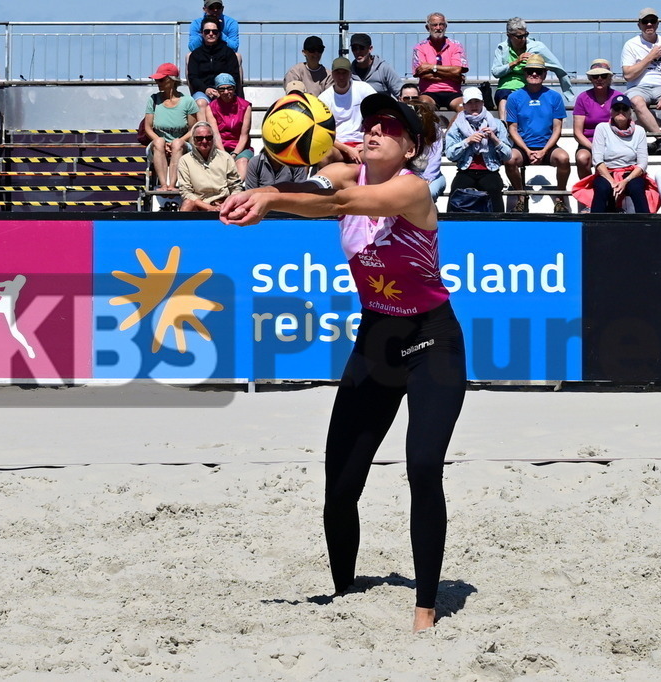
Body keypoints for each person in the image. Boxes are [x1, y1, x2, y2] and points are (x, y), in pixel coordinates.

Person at [219, 93, 465, 634]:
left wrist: (269, 198)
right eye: (370, 123)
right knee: (340, 481)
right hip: (378, 338)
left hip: (432, 340)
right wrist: (267, 191)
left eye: (390, 127)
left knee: (423, 466)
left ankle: (426, 607)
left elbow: (341, 204)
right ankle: (344, 591)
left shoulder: (412, 189)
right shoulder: (341, 171)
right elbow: (320, 188)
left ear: (411, 147)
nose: (375, 130)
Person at [505, 54, 571, 213]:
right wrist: (527, 150)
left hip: (548, 147)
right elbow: (512, 129)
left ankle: (560, 198)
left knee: (564, 158)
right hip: (523, 148)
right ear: (524, 73)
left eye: (538, 71)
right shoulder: (514, 97)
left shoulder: (554, 97)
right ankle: (521, 197)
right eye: (530, 71)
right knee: (509, 159)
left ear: (545, 74)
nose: (534, 74)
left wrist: (544, 151)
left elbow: (557, 129)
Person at [572, 94, 658, 213]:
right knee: (602, 187)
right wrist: (612, 182)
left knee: (637, 187)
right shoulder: (602, 128)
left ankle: (644, 222)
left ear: (630, 112)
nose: (620, 111)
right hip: (607, 172)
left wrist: (625, 181)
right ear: (611, 112)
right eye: (617, 108)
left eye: (624, 108)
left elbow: (642, 164)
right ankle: (595, 222)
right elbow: (598, 160)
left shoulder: (639, 131)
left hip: (630, 173)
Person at [490, 18, 574, 120]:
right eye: (519, 36)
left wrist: (568, 92)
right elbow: (495, 72)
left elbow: (557, 67)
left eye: (525, 35)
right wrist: (515, 62)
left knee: (537, 99)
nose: (523, 39)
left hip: (529, 86)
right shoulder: (502, 48)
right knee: (504, 98)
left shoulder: (537, 47)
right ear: (509, 35)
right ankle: (504, 126)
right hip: (506, 87)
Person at [444, 86, 512, 211]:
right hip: (466, 170)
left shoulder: (497, 124)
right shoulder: (457, 125)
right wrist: (467, 141)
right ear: (464, 105)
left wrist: (494, 139)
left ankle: (498, 221)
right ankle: (453, 221)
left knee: (494, 189)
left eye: (477, 101)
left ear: (482, 103)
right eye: (470, 102)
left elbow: (507, 155)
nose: (474, 105)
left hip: (490, 170)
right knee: (456, 193)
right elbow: (450, 154)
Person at [621, 8, 661, 135]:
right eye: (645, 21)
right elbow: (628, 75)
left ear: (657, 23)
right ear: (639, 25)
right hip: (638, 87)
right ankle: (660, 137)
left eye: (652, 21)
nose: (649, 24)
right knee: (636, 102)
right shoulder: (630, 45)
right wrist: (650, 57)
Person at [142, 63, 199, 191]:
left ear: (172, 80)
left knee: (177, 144)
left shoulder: (188, 101)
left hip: (182, 146)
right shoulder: (153, 99)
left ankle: (173, 185)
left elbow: (192, 129)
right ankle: (163, 185)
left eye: (161, 79)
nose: (157, 82)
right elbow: (148, 128)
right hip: (158, 145)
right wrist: (162, 143)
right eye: (157, 80)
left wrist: (175, 143)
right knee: (159, 142)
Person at [572, 58, 626, 183]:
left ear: (610, 78)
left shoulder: (619, 97)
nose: (599, 79)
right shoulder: (582, 98)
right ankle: (588, 187)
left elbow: (625, 124)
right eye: (595, 76)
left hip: (614, 142)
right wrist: (595, 148)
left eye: (603, 76)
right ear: (590, 79)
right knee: (582, 158)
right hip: (589, 143)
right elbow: (578, 132)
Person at [317, 57, 377, 166]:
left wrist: (367, 141)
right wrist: (347, 149)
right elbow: (323, 133)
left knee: (377, 156)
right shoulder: (324, 98)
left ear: (350, 74)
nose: (341, 77)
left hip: (361, 143)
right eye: (337, 73)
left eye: (344, 72)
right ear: (332, 74)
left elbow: (379, 112)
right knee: (322, 157)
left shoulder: (363, 88)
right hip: (337, 146)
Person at [176, 121, 243, 212]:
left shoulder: (226, 157)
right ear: (193, 140)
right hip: (200, 205)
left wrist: (227, 204)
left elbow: (236, 186)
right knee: (188, 203)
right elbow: (186, 192)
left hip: (225, 204)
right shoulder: (185, 160)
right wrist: (209, 207)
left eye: (208, 138)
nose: (204, 141)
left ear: (213, 139)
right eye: (199, 138)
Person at [187, 19, 243, 123]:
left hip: (225, 90)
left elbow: (234, 75)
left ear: (219, 33)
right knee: (201, 103)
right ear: (202, 33)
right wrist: (206, 89)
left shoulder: (228, 53)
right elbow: (193, 77)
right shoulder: (196, 55)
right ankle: (204, 131)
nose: (211, 34)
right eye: (207, 31)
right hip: (203, 91)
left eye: (214, 31)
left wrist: (222, 90)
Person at [412, 12, 468, 112]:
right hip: (428, 92)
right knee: (424, 107)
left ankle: (452, 123)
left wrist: (431, 68)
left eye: (441, 24)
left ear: (445, 26)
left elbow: (457, 70)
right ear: (427, 27)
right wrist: (453, 75)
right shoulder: (419, 47)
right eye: (434, 25)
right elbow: (422, 74)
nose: (438, 28)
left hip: (453, 92)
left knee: (464, 109)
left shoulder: (456, 45)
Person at [403, 86, 447, 201]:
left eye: (414, 98)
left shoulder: (433, 127)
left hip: (432, 175)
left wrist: (427, 178)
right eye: (406, 98)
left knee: (428, 194)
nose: (411, 101)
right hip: (406, 175)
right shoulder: (399, 127)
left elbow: (435, 157)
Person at [208, 73, 252, 177]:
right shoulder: (210, 107)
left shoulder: (245, 106)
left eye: (229, 88)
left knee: (242, 163)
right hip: (219, 147)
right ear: (217, 90)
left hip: (240, 148)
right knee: (218, 166)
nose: (226, 92)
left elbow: (244, 135)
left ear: (234, 88)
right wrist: (224, 155)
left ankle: (237, 185)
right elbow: (216, 135)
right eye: (222, 89)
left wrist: (234, 154)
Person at [349, 33, 403, 98]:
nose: (358, 52)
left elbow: (401, 94)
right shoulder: (349, 73)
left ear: (370, 49)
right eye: (354, 48)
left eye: (361, 48)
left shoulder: (383, 69)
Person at [244, 149, 310, 189]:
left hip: (289, 205)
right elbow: (250, 192)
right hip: (262, 206)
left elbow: (301, 192)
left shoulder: (296, 163)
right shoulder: (255, 163)